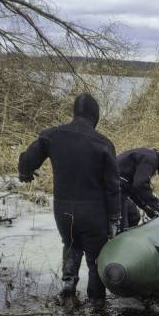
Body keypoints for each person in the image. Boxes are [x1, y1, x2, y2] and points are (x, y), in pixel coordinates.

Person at [18, 93, 120, 305]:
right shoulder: (103, 144)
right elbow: (112, 187)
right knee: (96, 259)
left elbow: (28, 160)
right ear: (96, 116)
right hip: (93, 211)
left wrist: (25, 173)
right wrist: (114, 218)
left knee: (71, 244)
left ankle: (68, 286)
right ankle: (97, 304)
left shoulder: (51, 136)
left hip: (62, 208)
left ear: (74, 112)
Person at [117, 148, 159, 230]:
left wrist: (147, 208)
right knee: (122, 227)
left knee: (134, 216)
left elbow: (134, 188)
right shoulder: (150, 160)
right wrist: (157, 206)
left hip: (120, 189)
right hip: (111, 189)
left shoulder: (150, 158)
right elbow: (140, 185)